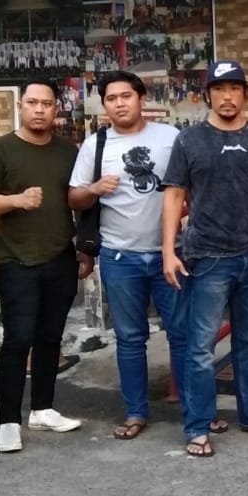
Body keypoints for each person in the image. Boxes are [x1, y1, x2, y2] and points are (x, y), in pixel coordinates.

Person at [162, 60, 248, 457]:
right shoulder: (189, 140)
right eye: (219, 89)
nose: (227, 97)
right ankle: (198, 426)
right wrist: (168, 251)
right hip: (206, 257)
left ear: (245, 95)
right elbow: (173, 195)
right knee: (201, 347)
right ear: (208, 94)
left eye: (235, 89)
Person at [68, 70, 185, 440]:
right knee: (130, 339)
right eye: (111, 99)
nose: (119, 104)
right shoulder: (96, 145)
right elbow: (74, 197)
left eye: (126, 96)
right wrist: (94, 189)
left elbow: (191, 186)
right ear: (104, 105)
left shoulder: (171, 138)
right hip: (120, 257)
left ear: (141, 98)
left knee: (183, 335)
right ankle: (136, 412)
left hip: (170, 255)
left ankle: (196, 410)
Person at [0, 79, 86, 455]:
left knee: (50, 338)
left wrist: (85, 249)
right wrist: (16, 201)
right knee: (18, 338)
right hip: (15, 260)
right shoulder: (0, 149)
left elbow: (78, 199)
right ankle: (8, 421)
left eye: (46, 104)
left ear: (57, 108)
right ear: (20, 106)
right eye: (32, 103)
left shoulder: (67, 151)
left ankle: (42, 409)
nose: (39, 110)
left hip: (60, 257)